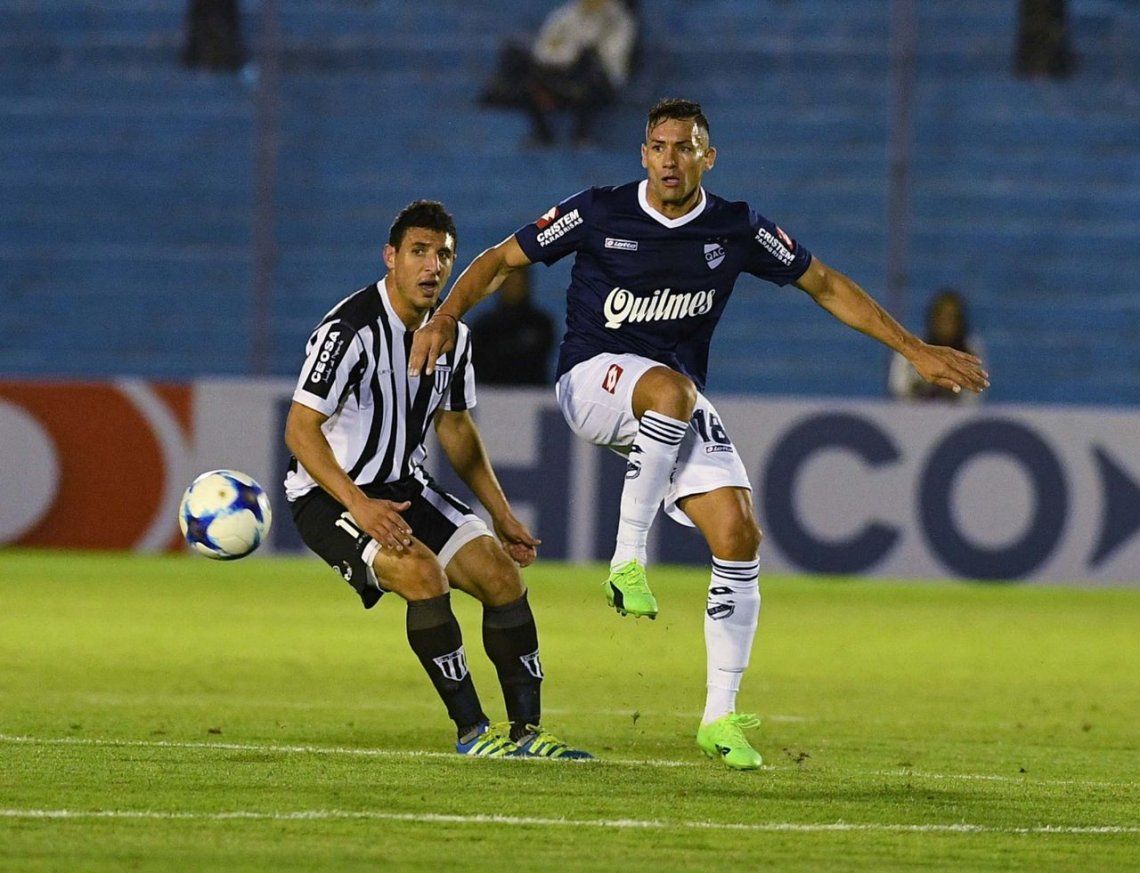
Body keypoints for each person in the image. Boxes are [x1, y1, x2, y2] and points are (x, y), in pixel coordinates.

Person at [408, 99, 988, 770]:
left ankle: (719, 716)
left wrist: (913, 348)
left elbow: (823, 284)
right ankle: (628, 558)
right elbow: (500, 259)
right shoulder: (598, 210)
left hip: (669, 401)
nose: (669, 160)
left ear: (708, 157)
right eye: (658, 146)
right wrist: (448, 313)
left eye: (684, 148)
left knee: (738, 531)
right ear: (643, 154)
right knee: (672, 389)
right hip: (591, 380)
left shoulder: (735, 227)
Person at [283, 200, 590, 760]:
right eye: (419, 253)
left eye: (444, 255)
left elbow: (454, 427)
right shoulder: (348, 331)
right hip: (331, 497)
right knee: (423, 575)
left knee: (500, 576)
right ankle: (473, 731)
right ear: (391, 257)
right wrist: (360, 505)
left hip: (407, 489)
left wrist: (500, 513)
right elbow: (301, 431)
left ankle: (528, 735)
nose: (432, 267)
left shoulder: (454, 336)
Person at [479, 0, 637, 147]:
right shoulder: (568, 14)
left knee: (589, 63)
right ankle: (542, 132)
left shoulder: (617, 20)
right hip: (561, 75)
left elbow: (611, 61)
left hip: (594, 83)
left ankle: (581, 134)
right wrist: (563, 57)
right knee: (517, 58)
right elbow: (544, 48)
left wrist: (571, 54)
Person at [889, 289, 986, 403]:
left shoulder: (971, 350)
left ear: (960, 321)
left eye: (952, 317)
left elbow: (975, 395)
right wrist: (922, 383)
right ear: (933, 319)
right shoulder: (912, 347)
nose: (947, 323)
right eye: (942, 317)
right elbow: (898, 387)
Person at [469, 268, 556, 385]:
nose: (514, 287)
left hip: (532, 395)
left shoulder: (541, 324)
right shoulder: (484, 326)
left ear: (527, 284)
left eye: (518, 282)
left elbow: (538, 360)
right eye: (509, 283)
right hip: (490, 396)